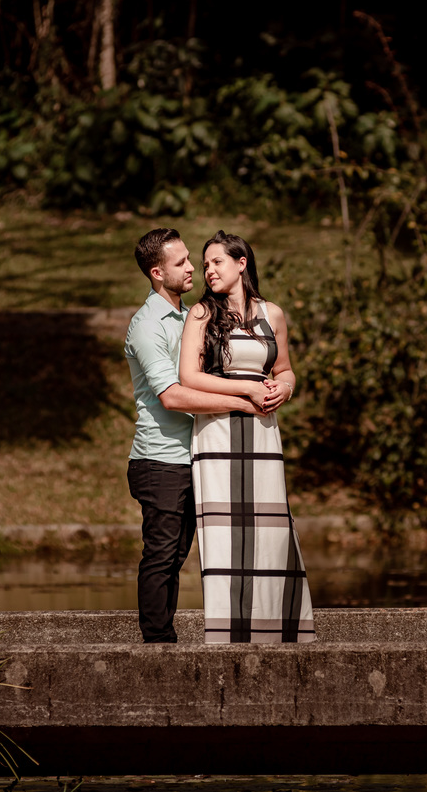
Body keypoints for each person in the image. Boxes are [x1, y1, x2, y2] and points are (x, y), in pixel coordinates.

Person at [124, 227, 262, 643]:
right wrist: (242, 402)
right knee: (162, 555)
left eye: (191, 260)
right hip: (160, 460)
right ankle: (157, 645)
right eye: (181, 263)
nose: (192, 269)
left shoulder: (193, 315)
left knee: (179, 555)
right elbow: (172, 395)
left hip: (198, 454)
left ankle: (166, 638)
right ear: (156, 272)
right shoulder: (147, 326)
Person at [179, 230, 316, 643]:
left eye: (216, 262)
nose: (208, 270)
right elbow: (189, 376)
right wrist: (247, 390)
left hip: (263, 433)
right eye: (205, 265)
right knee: (224, 535)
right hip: (218, 434)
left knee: (270, 530)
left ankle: (275, 633)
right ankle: (226, 636)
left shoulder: (272, 314)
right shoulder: (202, 314)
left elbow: (286, 369)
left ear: (241, 264)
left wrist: (282, 389)